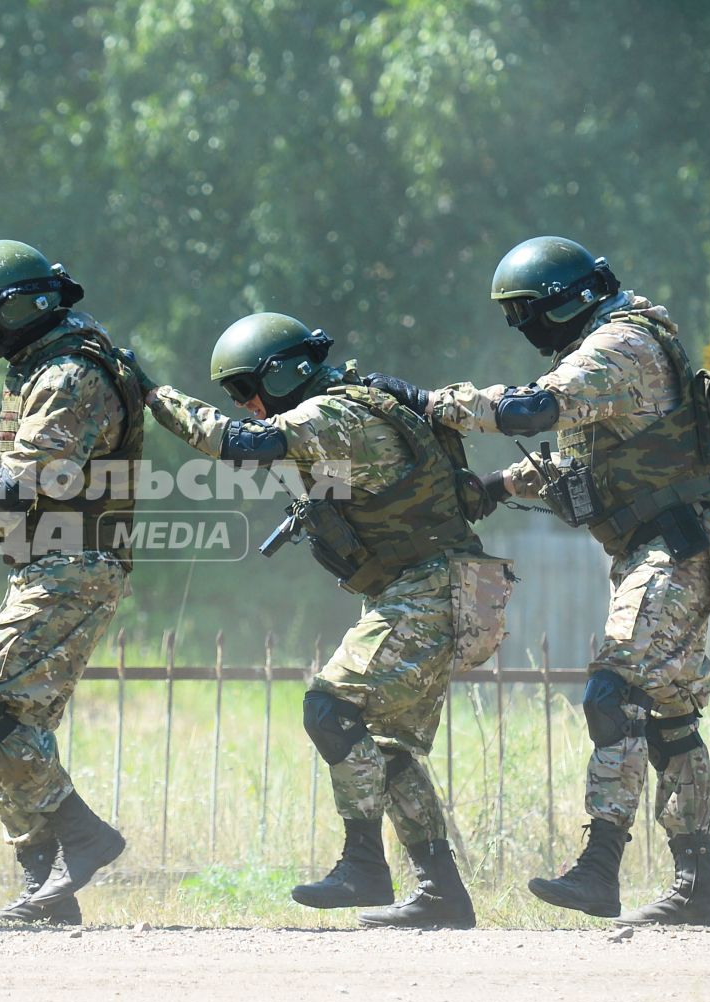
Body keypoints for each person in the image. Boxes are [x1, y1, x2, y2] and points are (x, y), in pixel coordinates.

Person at [426, 234, 710, 927]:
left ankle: (600, 868)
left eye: (528, 315)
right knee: (669, 718)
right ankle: (700, 887)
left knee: (615, 693)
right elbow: (583, 464)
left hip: (675, 548)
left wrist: (438, 403)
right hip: (667, 548)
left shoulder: (619, 346)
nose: (526, 331)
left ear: (563, 301)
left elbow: (533, 410)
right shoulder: (619, 344)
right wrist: (494, 486)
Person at [140, 312, 509, 928]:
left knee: (330, 708)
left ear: (283, 375)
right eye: (236, 396)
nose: (247, 406)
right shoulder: (357, 409)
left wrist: (157, 397)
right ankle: (441, 894)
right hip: (430, 589)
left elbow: (241, 446)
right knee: (386, 747)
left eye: (245, 390)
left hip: (433, 589)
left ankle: (364, 866)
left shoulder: (335, 414)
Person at [0, 239, 140, 926]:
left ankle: (82, 837)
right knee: (11, 727)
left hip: (74, 563)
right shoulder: (47, 364)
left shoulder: (67, 373)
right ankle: (45, 889)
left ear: (20, 308)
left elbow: (30, 473)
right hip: (53, 562)